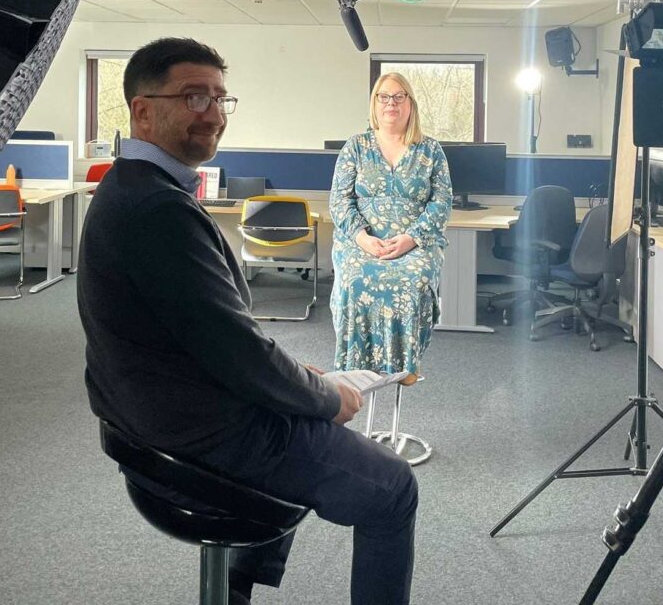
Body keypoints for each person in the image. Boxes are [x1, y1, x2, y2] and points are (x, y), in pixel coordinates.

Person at [78, 38, 418, 605]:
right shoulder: (159, 210)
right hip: (200, 433)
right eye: (192, 97)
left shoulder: (128, 187)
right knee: (394, 487)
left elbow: (208, 334)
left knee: (303, 399)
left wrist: (299, 383)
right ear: (142, 111)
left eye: (218, 97)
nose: (211, 113)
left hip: (148, 414)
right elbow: (235, 349)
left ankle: (234, 588)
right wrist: (325, 398)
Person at [329, 73, 452, 378]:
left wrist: (411, 237)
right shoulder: (356, 147)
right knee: (353, 282)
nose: (391, 103)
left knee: (415, 282)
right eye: (384, 96)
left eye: (399, 96)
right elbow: (339, 201)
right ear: (375, 103)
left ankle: (404, 366)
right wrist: (362, 238)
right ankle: (354, 367)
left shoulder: (431, 150)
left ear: (410, 104)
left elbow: (442, 202)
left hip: (415, 242)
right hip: (362, 242)